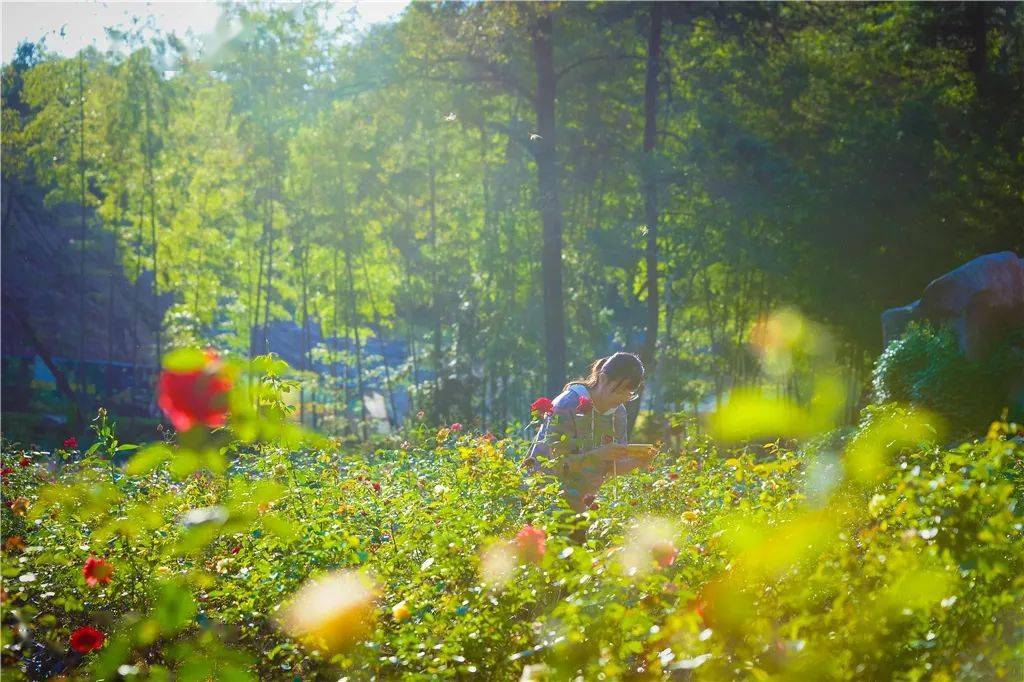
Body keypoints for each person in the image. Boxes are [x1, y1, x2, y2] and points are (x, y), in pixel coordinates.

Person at [526, 352, 657, 512]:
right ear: (602, 379)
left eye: (629, 394)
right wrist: (600, 454)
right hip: (544, 498)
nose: (622, 398)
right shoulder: (566, 405)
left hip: (583, 504)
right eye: (619, 390)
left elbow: (610, 467)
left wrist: (639, 461)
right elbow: (557, 465)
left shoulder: (618, 413)